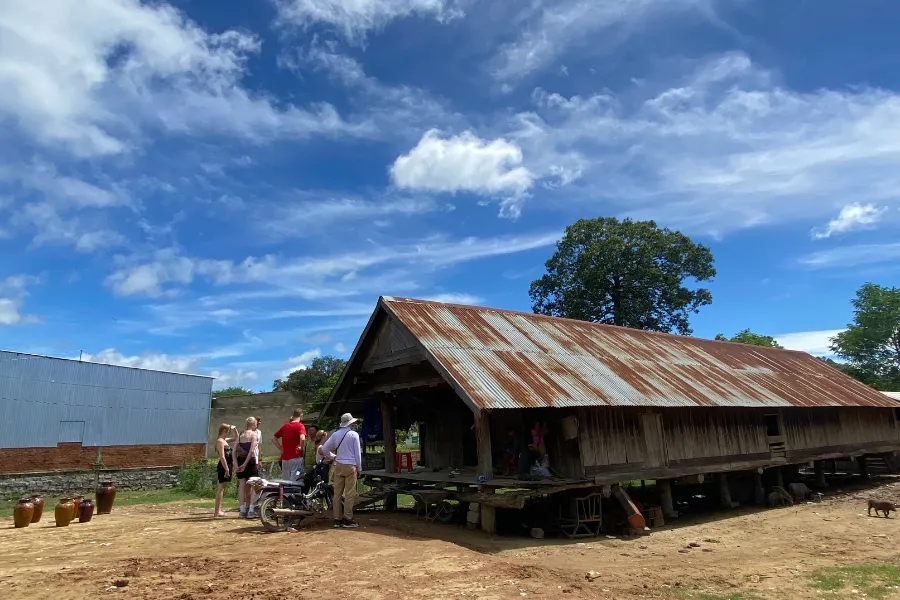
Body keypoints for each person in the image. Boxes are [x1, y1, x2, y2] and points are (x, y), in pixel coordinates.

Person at [322, 413, 362, 529]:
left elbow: (324, 448)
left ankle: (337, 519)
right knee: (349, 493)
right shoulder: (353, 435)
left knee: (337, 494)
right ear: (350, 423)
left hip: (338, 465)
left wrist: (333, 456)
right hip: (350, 465)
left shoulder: (335, 434)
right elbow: (357, 454)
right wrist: (359, 468)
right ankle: (347, 518)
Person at [233, 417, 259, 518]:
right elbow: (252, 450)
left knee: (242, 485)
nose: (256, 426)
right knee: (255, 485)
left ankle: (242, 510)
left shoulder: (240, 435)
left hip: (239, 460)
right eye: (255, 424)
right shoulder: (254, 434)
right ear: (252, 425)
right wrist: (245, 464)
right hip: (250, 462)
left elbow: (234, 450)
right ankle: (251, 509)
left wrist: (235, 463)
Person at [273, 409, 307, 482]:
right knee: (296, 478)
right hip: (296, 458)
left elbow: (274, 439)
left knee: (285, 480)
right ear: (301, 416)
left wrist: (281, 449)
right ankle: (294, 493)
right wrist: (301, 448)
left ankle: (285, 493)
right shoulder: (300, 426)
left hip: (285, 459)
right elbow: (302, 438)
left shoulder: (285, 426)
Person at [214, 423, 238, 517]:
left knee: (222, 488)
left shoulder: (225, 440)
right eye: (228, 431)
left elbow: (236, 438)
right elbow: (222, 457)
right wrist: (227, 469)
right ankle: (217, 511)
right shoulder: (220, 441)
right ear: (224, 431)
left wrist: (234, 429)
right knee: (221, 488)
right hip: (223, 466)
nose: (229, 433)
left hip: (228, 465)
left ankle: (219, 509)